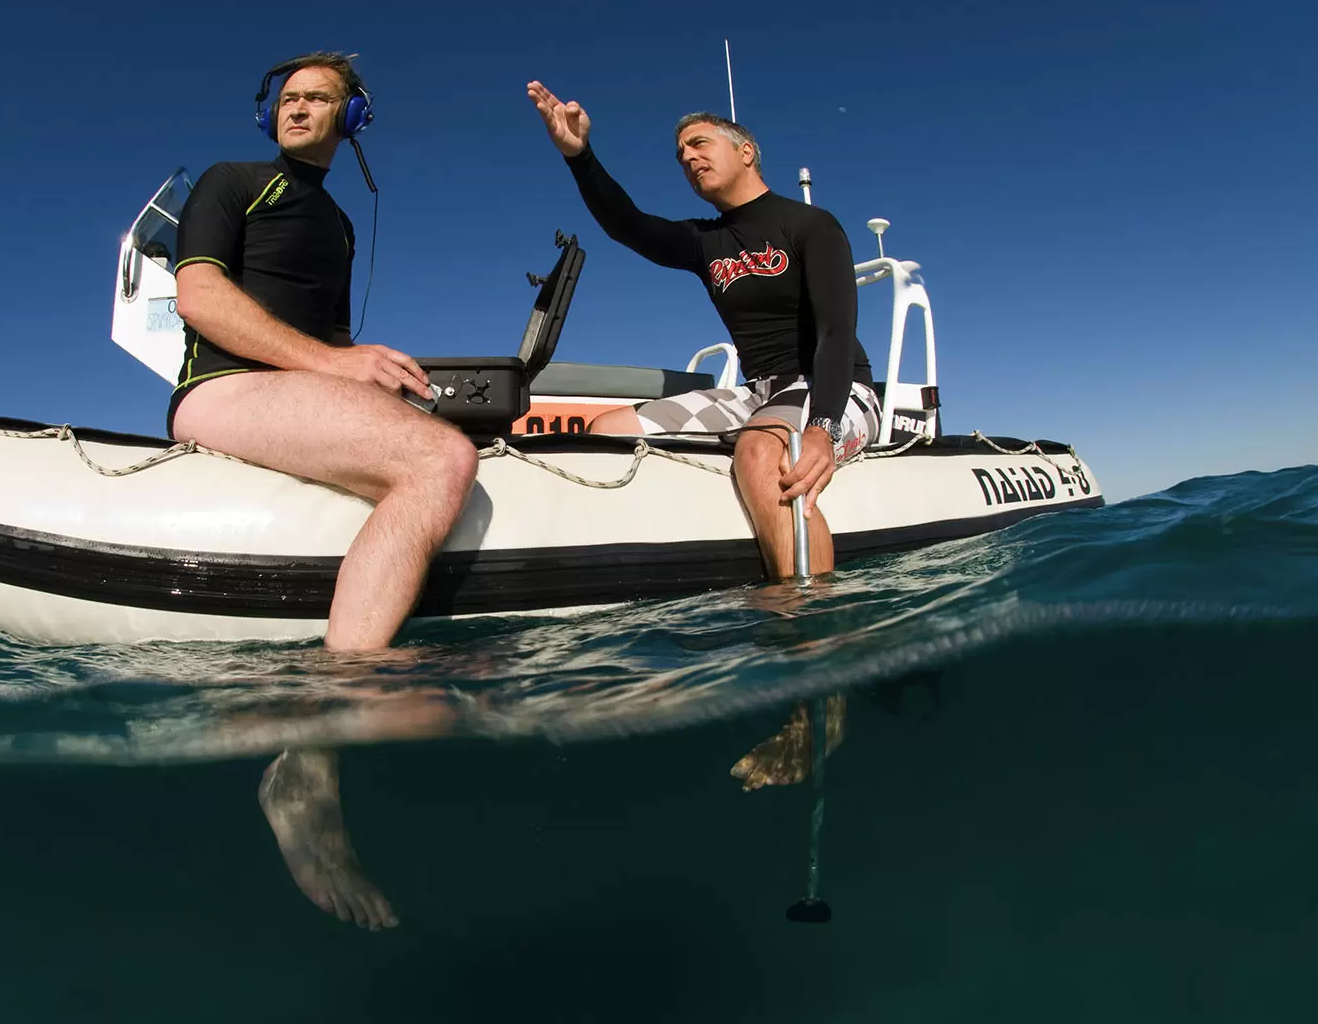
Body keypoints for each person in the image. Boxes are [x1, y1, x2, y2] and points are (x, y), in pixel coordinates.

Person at [170, 52, 480, 930]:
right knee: (438, 463)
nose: (297, 110)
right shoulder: (233, 182)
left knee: (445, 435)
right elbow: (198, 298)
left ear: (352, 121)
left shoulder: (339, 221)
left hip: (295, 390)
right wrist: (336, 364)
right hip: (222, 390)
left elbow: (326, 351)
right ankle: (317, 745)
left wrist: (365, 380)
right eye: (288, 98)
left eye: (319, 100)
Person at [527, 81, 876, 789]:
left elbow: (838, 332)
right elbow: (625, 224)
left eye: (699, 144)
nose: (687, 159)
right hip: (754, 391)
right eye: (679, 152)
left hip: (834, 385)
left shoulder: (811, 226)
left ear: (745, 151)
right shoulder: (703, 241)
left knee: (757, 450)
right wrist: (578, 155)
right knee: (605, 425)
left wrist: (822, 429)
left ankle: (820, 676)